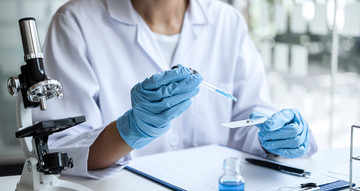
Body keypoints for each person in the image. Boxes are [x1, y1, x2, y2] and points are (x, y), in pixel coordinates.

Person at [33, 0, 317, 179]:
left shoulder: (226, 21)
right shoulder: (76, 21)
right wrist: (132, 128)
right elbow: (62, 150)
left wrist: (276, 135)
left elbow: (246, 117)